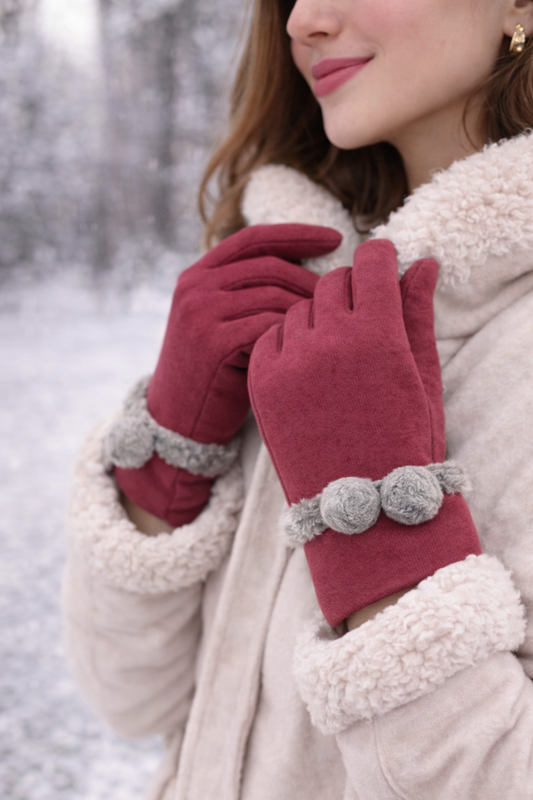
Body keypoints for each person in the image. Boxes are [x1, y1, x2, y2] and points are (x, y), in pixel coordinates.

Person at [64, 0, 533, 797]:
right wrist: (167, 456)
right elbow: (131, 699)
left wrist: (378, 520)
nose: (302, 21)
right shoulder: (283, 290)